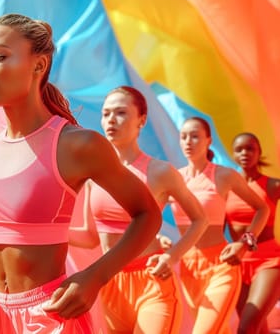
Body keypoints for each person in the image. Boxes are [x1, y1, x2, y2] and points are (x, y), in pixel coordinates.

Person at [0, 13, 163, 333]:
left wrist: (95, 276)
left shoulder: (77, 145)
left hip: (50, 314)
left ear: (39, 65)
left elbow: (147, 214)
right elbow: (6, 230)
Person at [69, 86, 208, 333]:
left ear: (141, 120)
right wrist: (41, 233)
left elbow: (200, 219)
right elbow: (91, 237)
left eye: (121, 112)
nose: (111, 119)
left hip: (152, 282)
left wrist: (171, 256)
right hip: (111, 284)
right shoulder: (94, 175)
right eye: (106, 113)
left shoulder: (161, 172)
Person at [170, 117, 270, 334]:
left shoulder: (224, 175)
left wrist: (245, 242)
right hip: (187, 267)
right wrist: (159, 238)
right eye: (184, 136)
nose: (188, 141)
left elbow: (262, 209)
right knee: (218, 329)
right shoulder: (174, 178)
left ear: (208, 140)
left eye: (195, 136)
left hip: (221, 264)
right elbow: (149, 214)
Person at [225, 132, 280, 333]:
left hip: (269, 261)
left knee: (247, 327)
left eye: (250, 148)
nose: (245, 153)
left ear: (259, 153)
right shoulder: (227, 186)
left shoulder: (273, 185)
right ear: (233, 154)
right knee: (258, 329)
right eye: (239, 149)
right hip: (238, 263)